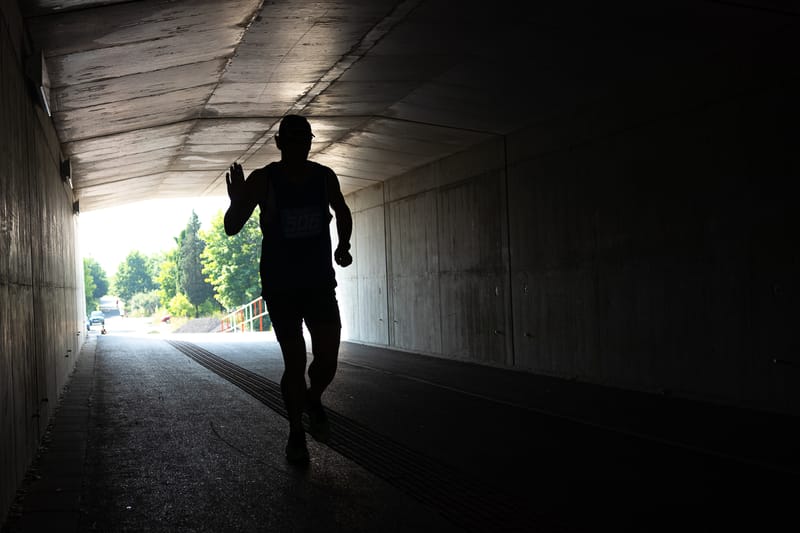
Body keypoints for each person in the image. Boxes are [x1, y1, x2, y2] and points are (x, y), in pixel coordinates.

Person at [224, 114, 353, 464]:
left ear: (311, 142)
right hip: (282, 288)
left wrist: (344, 246)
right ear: (279, 143)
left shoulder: (324, 178)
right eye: (292, 140)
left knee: (327, 360)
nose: (300, 146)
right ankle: (296, 433)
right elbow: (232, 228)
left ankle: (313, 398)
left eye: (305, 140)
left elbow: (342, 210)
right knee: (294, 362)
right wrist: (237, 202)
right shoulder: (264, 180)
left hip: (319, 284)